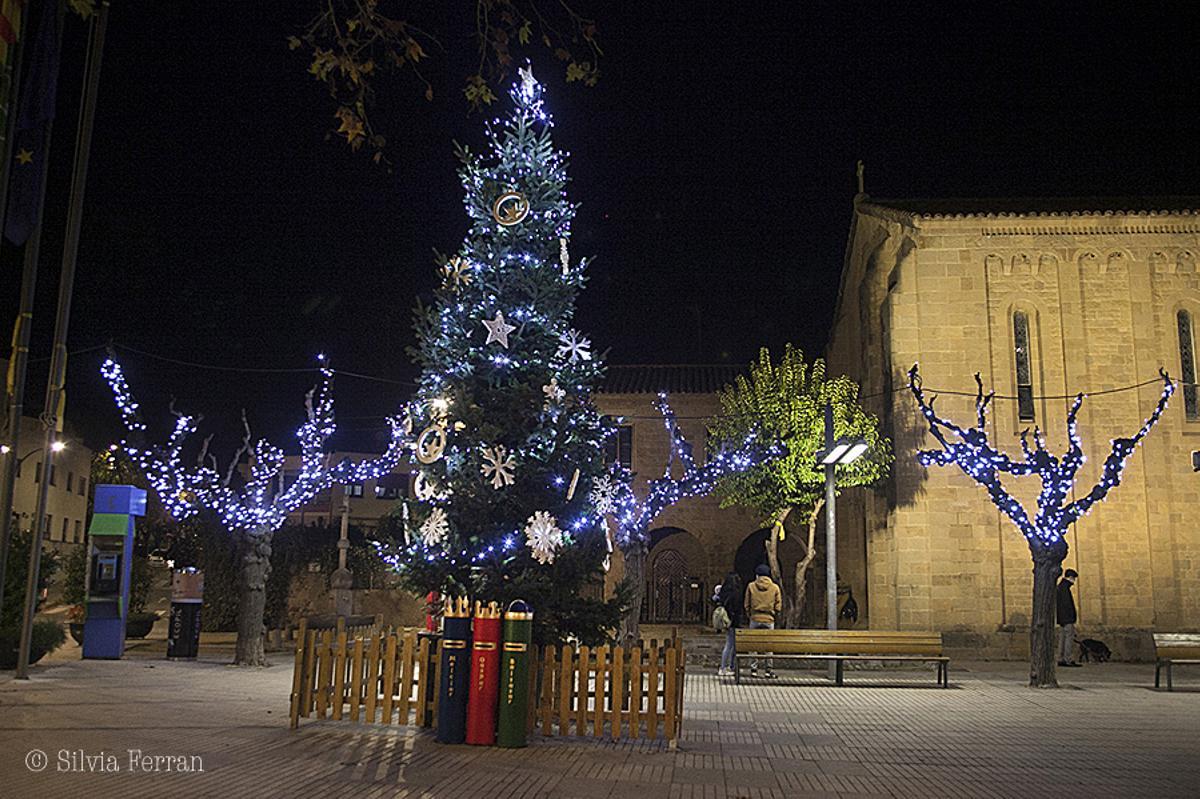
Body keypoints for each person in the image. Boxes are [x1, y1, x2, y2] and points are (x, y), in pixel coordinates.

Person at [744, 564, 781, 678]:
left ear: (757, 575)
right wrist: (774, 614)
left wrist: (750, 614)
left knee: (753, 645)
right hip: (769, 619)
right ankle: (768, 669)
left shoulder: (751, 586)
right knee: (768, 646)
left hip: (755, 618)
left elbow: (746, 604)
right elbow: (778, 605)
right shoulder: (775, 587)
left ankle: (753, 669)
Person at [715, 571, 743, 677]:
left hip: (727, 620)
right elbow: (737, 608)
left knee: (729, 644)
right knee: (732, 645)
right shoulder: (736, 593)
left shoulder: (724, 592)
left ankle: (724, 666)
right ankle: (729, 666)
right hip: (734, 621)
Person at [1057, 568, 1080, 667]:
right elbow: (1067, 605)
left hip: (1062, 618)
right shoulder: (1065, 589)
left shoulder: (1060, 587)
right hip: (1067, 618)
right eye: (1073, 579)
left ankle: (1061, 658)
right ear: (1070, 577)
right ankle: (1068, 659)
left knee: (1062, 638)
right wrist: (1072, 617)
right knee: (1068, 638)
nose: (1074, 581)